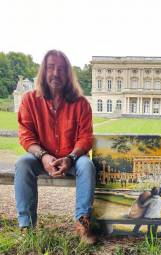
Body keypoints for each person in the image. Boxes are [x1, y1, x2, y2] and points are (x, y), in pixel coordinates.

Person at [14, 49, 96, 244]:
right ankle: (26, 226)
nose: (56, 73)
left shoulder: (81, 103)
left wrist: (71, 158)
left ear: (68, 74)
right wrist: (43, 156)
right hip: (40, 158)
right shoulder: (29, 100)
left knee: (87, 165)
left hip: (73, 159)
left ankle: (82, 223)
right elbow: (26, 135)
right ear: (44, 71)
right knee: (22, 164)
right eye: (51, 67)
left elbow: (85, 138)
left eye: (61, 69)